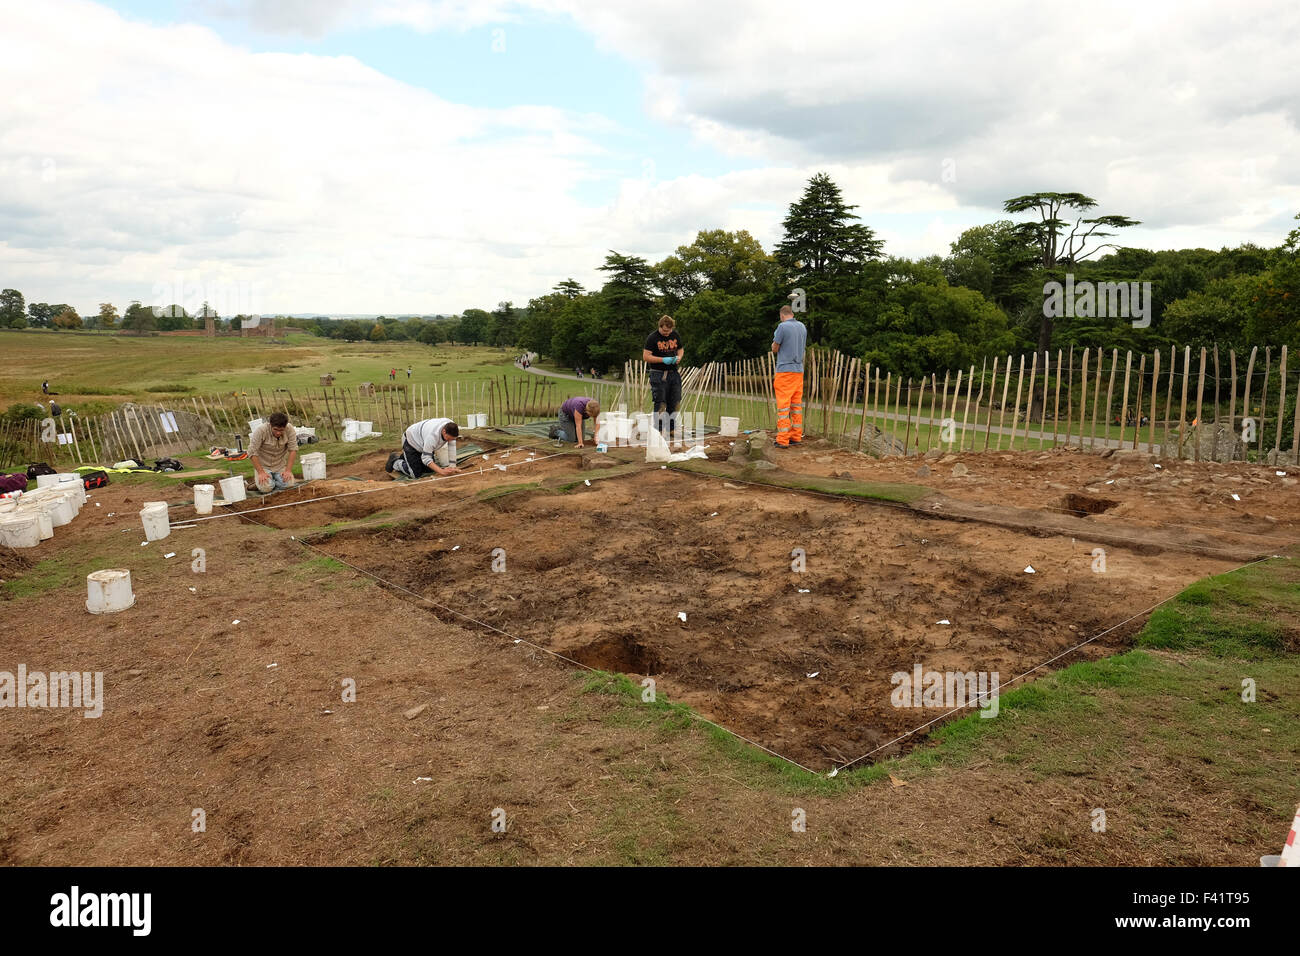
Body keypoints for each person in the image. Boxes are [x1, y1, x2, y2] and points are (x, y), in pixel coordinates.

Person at [771, 304, 807, 447]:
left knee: (783, 406)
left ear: (782, 316)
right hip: (798, 371)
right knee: (796, 405)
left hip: (785, 371)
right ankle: (796, 436)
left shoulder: (782, 327)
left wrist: (773, 346)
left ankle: (783, 439)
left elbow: (775, 347)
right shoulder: (802, 327)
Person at [643, 315, 684, 441]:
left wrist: (679, 358)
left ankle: (671, 429)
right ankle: (658, 431)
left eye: (669, 331)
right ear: (660, 327)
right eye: (665, 331)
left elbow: (681, 349)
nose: (667, 333)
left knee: (675, 401)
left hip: (673, 373)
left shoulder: (675, 335)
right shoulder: (652, 338)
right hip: (658, 373)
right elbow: (646, 356)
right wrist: (663, 360)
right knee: (660, 402)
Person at [387, 417, 460, 478]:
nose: (450, 441)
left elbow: (452, 446)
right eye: (448, 438)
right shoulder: (432, 437)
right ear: (444, 431)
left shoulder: (451, 426)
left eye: (452, 439)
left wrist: (452, 466)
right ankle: (395, 461)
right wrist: (442, 472)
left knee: (430, 470)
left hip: (423, 443)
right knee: (415, 474)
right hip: (411, 442)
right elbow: (426, 459)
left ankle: (407, 458)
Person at [249, 411, 298, 492]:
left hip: (279, 465)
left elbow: (293, 449)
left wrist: (288, 471)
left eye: (281, 430)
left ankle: (271, 482)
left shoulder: (290, 429)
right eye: (275, 429)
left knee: (289, 484)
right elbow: (252, 452)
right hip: (263, 466)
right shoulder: (261, 431)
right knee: (266, 488)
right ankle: (259, 484)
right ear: (270, 425)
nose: (278, 432)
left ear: (285, 426)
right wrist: (261, 472)